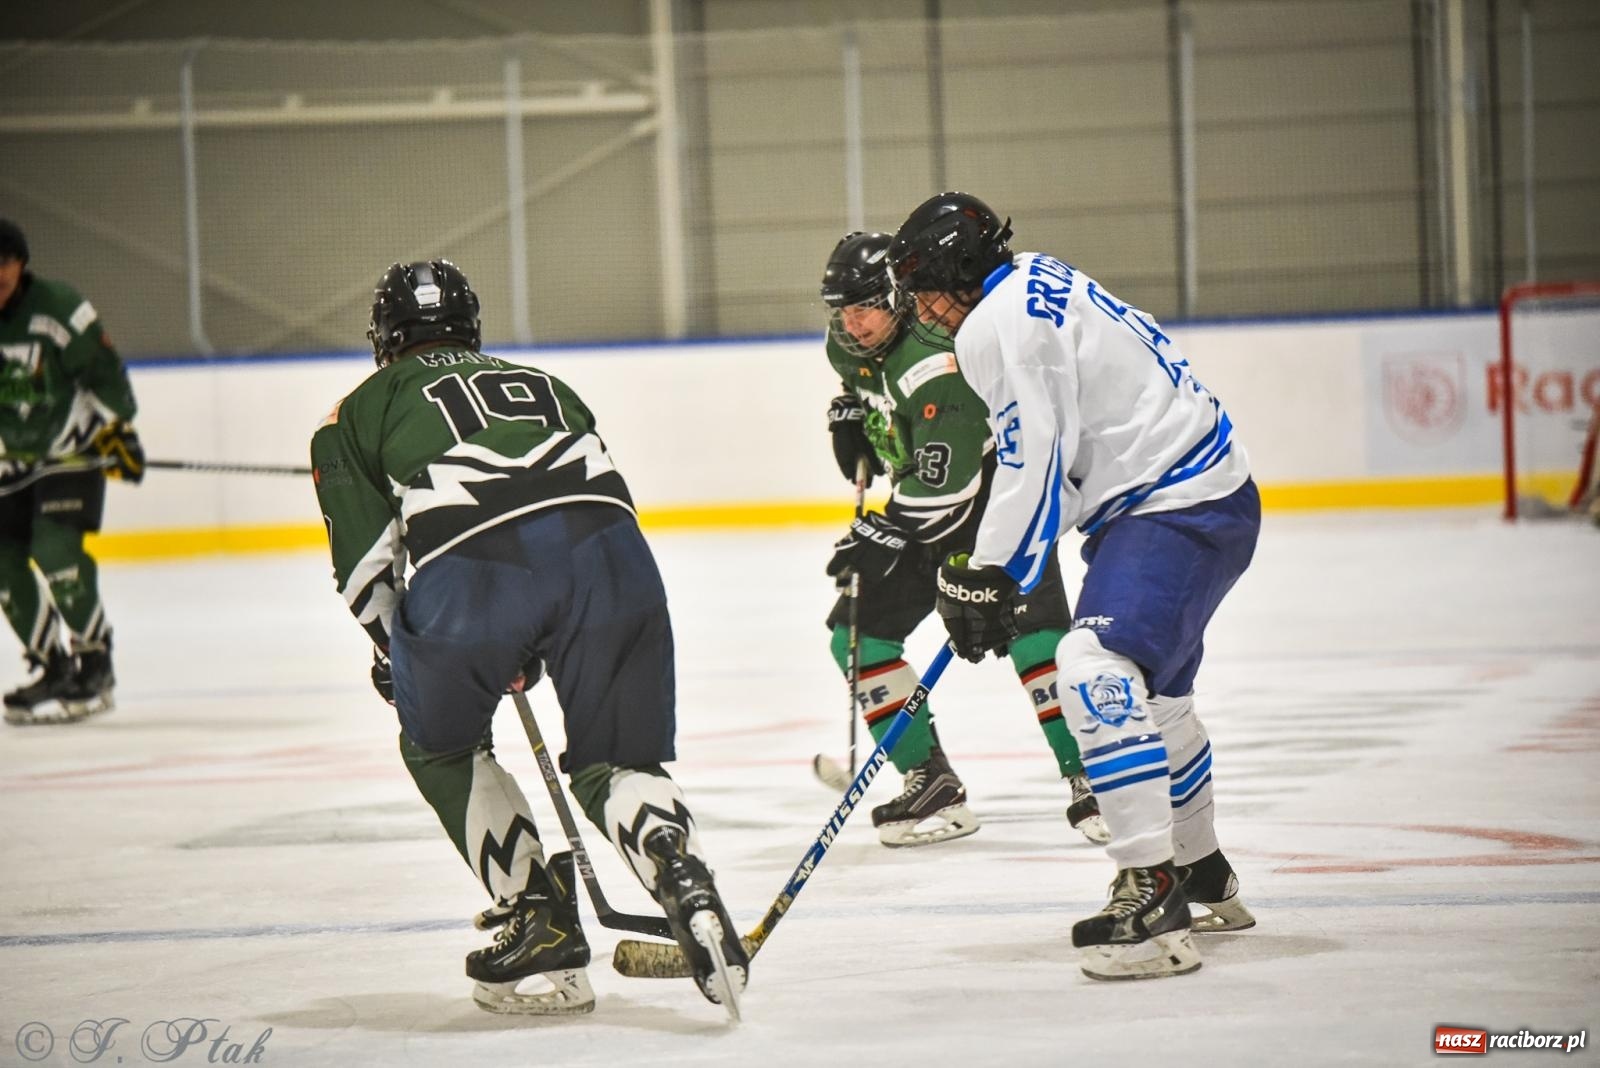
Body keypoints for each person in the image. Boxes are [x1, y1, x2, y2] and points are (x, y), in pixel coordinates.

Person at [310, 259, 748, 1016]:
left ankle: (535, 914)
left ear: (384, 338)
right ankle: (677, 867)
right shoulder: (547, 383)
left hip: (477, 571)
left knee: (437, 743)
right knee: (616, 762)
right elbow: (586, 503)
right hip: (616, 560)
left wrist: (400, 653)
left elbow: (367, 572)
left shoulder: (353, 413)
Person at [889, 192, 1258, 981]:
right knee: (1158, 704)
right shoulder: (1029, 279)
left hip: (1177, 504)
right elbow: (1051, 463)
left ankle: (1152, 895)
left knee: (1089, 667)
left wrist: (987, 576)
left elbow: (1035, 461)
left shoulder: (997, 325)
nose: (921, 307)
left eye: (925, 287)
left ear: (958, 268)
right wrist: (996, 575)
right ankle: (1200, 871)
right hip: (1198, 495)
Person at [818, 231, 1107, 848]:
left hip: (991, 500)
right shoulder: (847, 346)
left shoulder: (937, 362)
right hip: (921, 499)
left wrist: (884, 530)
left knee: (1035, 636)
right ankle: (930, 780)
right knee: (857, 636)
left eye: (865, 306)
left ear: (897, 298)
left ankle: (1092, 778)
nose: (853, 323)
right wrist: (852, 413)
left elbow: (949, 487)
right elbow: (870, 390)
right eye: (842, 309)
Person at [0, 218, 144, 726]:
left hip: (70, 455)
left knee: (55, 550)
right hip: (12, 462)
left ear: (20, 265)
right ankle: (53, 666)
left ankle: (94, 662)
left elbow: (104, 371)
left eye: (4, 263)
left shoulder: (58, 308)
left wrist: (119, 429)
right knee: (3, 562)